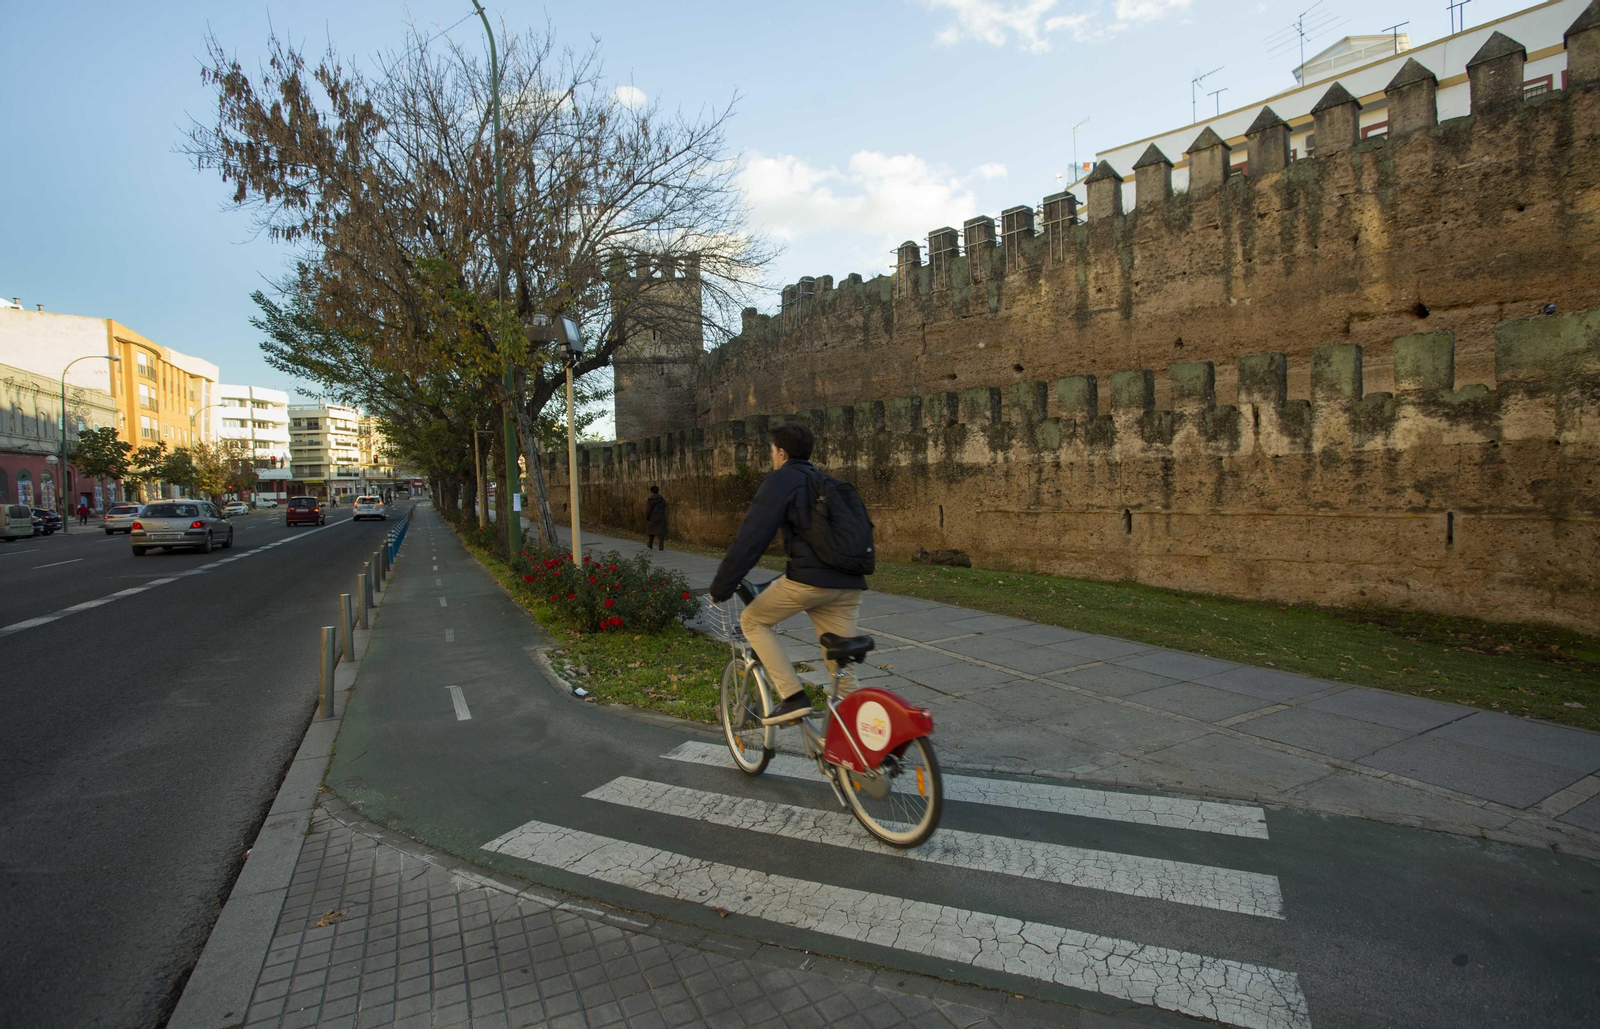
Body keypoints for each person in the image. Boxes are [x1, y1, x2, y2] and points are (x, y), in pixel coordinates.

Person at [709, 422, 867, 723]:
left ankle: (793, 697)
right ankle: (859, 756)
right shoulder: (826, 481)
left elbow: (751, 538)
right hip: (849, 585)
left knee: (752, 620)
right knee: (840, 670)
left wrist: (721, 586)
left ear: (781, 452)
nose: (772, 457)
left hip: (810, 582)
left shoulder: (782, 480)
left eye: (772, 452)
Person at [644, 485, 667, 551]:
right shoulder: (662, 499)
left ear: (651, 491)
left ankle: (650, 544)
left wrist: (647, 517)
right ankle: (661, 546)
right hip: (661, 516)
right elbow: (664, 507)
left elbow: (648, 510)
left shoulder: (650, 500)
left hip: (652, 517)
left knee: (651, 531)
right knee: (661, 532)